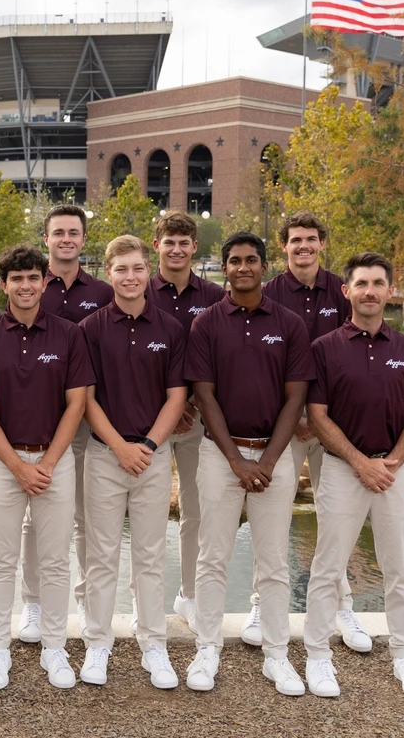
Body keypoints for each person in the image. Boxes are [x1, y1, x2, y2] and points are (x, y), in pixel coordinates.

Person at [304, 252, 404, 698]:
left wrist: (392, 462)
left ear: (389, 291)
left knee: (400, 570)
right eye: (361, 283)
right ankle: (317, 657)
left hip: (394, 472)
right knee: (327, 568)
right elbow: (317, 416)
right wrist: (361, 463)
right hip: (343, 470)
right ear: (347, 291)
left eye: (378, 283)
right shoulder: (324, 349)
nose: (369, 291)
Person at [185, 232, 313, 696]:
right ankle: (207, 648)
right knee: (212, 557)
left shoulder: (290, 324)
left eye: (251, 260)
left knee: (274, 561)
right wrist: (237, 460)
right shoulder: (206, 324)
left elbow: (296, 397)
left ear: (264, 266)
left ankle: (277, 655)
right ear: (224, 268)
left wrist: (269, 460)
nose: (243, 267)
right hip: (221, 456)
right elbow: (204, 396)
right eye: (235, 260)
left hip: (275, 455)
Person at [0, 244, 94, 691]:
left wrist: (48, 462)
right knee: (1, 560)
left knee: (55, 561)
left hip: (55, 460)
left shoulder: (69, 335)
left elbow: (77, 404)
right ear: (4, 285)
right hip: (3, 463)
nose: (25, 285)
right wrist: (17, 466)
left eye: (33, 277)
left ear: (44, 282)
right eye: (16, 279)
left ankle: (54, 647)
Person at [255, 212, 368, 652]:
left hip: (333, 424)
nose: (303, 246)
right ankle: (261, 604)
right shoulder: (267, 294)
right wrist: (295, 416)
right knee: (272, 515)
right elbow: (261, 364)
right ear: (283, 246)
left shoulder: (342, 291)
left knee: (335, 517)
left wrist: (320, 418)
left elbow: (352, 355)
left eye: (311, 239)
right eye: (295, 239)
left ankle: (343, 607)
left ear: (322, 244)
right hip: (284, 424)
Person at [78, 235, 187, 690]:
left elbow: (177, 397)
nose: (130, 277)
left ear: (148, 272)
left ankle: (153, 644)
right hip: (105, 456)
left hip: (153, 458)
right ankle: (98, 643)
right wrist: (120, 447)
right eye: (121, 269)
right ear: (108, 274)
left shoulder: (171, 329)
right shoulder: (89, 329)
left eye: (138, 268)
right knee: (101, 557)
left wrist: (148, 445)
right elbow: (85, 399)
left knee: (149, 556)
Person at [19, 204, 115, 642]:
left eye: (73, 233)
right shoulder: (31, 284)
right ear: (46, 239)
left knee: (84, 517)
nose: (66, 239)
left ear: (83, 239)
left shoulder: (103, 292)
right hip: (38, 419)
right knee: (33, 516)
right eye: (58, 232)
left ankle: (84, 600)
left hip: (88, 417)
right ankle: (33, 602)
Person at [144, 212, 225, 632]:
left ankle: (189, 594)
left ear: (195, 247)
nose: (176, 249)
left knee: (196, 510)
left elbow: (220, 356)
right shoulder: (138, 290)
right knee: (148, 513)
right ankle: (145, 602)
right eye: (169, 241)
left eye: (184, 242)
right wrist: (168, 409)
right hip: (150, 421)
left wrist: (189, 402)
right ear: (156, 245)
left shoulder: (214, 295)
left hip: (197, 419)